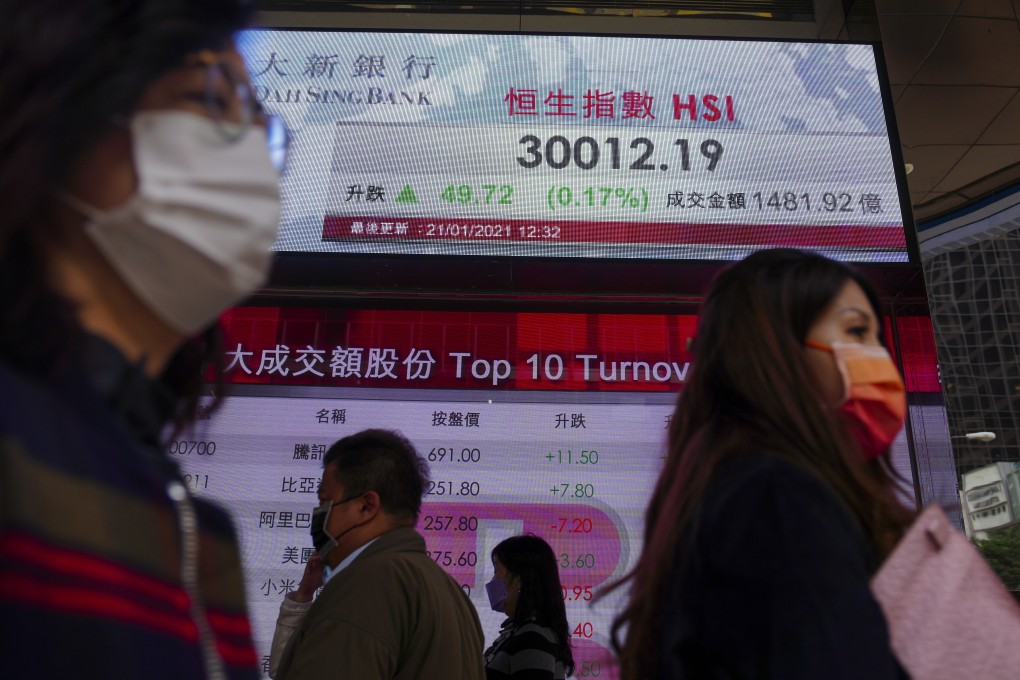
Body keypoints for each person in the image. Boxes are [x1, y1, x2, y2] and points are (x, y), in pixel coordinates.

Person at [0, 1, 282, 677]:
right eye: (208, 100)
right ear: (65, 111)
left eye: (259, 122)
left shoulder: (188, 518)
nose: (247, 149)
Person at [607, 248, 915, 679]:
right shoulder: (780, 500)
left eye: (877, 337)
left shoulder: (731, 486)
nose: (879, 357)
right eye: (857, 331)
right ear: (775, 350)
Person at [269, 429, 485, 680]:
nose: (320, 514)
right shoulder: (450, 591)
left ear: (366, 506)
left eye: (325, 501)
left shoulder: (368, 583)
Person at [483, 535, 575, 680]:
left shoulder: (533, 637)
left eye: (496, 572)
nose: (492, 581)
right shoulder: (524, 631)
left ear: (520, 580)